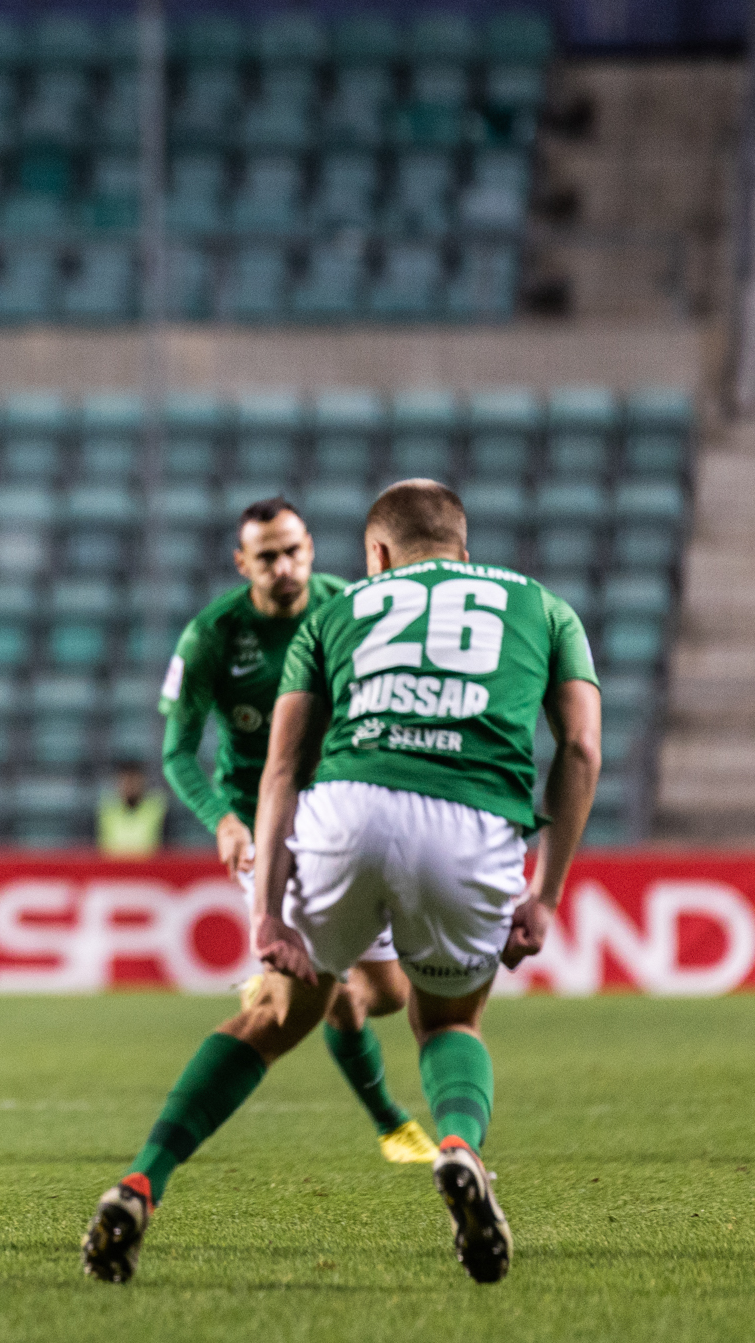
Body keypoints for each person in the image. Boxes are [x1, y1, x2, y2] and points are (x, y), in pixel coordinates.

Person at [84, 479, 599, 1286]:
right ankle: (456, 1146)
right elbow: (580, 751)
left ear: (375, 557)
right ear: (463, 547)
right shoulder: (545, 606)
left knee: (273, 1013)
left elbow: (284, 765)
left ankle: (143, 1180)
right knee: (447, 1021)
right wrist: (547, 895)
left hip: (340, 814)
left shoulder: (335, 612)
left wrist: (266, 915)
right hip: (470, 821)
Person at [160, 497, 434, 1165]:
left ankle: (295, 991)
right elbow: (177, 750)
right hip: (265, 823)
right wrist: (222, 819)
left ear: (311, 546)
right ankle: (393, 1124)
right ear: (242, 562)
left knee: (388, 995)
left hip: (343, 813)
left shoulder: (350, 606)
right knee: (323, 985)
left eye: (294, 550)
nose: (285, 566)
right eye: (268, 556)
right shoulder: (213, 635)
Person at [96, 761, 166, 859]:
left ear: (142, 782)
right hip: (114, 868)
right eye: (125, 781)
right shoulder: (107, 810)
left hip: (150, 868)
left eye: (134, 781)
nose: (130, 786)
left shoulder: (157, 807)